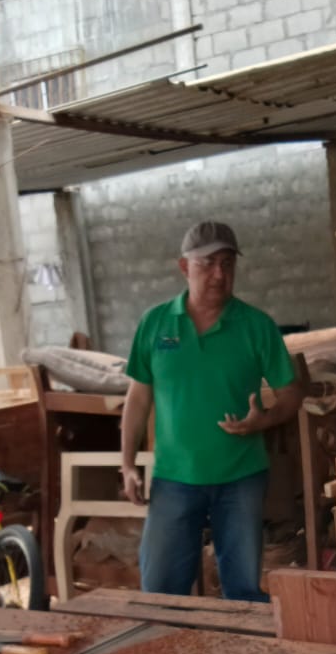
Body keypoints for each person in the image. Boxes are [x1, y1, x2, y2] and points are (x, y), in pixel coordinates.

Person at [120, 221, 303, 602]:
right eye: (207, 263)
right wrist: (127, 464)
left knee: (243, 592)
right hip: (173, 477)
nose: (219, 274)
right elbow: (138, 399)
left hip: (241, 478)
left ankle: (238, 643)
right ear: (184, 267)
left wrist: (265, 419)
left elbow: (290, 394)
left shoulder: (257, 326)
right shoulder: (155, 323)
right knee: (161, 593)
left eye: (227, 263)